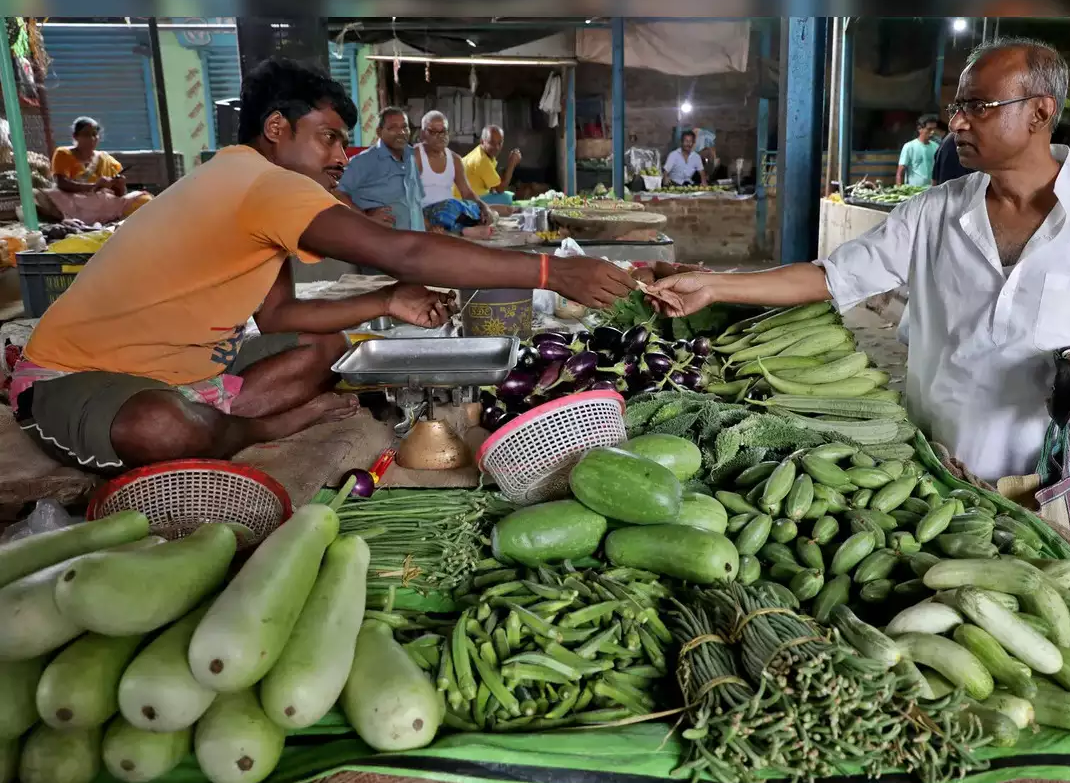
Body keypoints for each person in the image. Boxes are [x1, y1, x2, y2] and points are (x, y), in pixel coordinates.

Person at [11, 58, 635, 473]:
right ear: (276, 127)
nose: (343, 153)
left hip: (191, 376)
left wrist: (389, 301)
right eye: (329, 136)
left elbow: (278, 313)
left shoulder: (249, 184)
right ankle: (250, 430)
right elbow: (405, 250)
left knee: (326, 346)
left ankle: (219, 417)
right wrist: (552, 272)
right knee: (161, 429)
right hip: (79, 375)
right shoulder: (261, 182)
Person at [647, 38, 1070, 485]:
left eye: (979, 106)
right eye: (958, 107)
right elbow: (830, 278)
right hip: (939, 460)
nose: (957, 123)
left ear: (1040, 113)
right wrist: (714, 285)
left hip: (1061, 467)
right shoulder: (933, 212)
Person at [35, 117, 153, 224]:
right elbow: (62, 184)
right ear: (75, 136)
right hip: (74, 200)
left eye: (94, 135)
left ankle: (101, 218)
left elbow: (120, 194)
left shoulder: (107, 160)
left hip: (102, 202)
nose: (91, 139)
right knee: (39, 196)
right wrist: (94, 186)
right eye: (86, 135)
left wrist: (120, 185)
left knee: (144, 200)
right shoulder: (63, 153)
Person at [332, 106, 424, 232]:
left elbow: (415, 204)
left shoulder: (412, 157)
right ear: (379, 132)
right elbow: (336, 192)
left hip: (414, 241)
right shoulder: (364, 161)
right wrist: (365, 219)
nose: (401, 132)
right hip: (381, 243)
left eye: (404, 127)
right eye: (392, 128)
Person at [414, 111, 491, 235]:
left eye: (443, 131)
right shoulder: (416, 155)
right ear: (423, 134)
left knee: (480, 209)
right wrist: (427, 225)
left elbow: (466, 192)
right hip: (424, 213)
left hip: (451, 212)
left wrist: (484, 208)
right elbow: (409, 199)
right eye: (434, 132)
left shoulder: (455, 159)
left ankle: (463, 228)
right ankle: (465, 229)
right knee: (449, 208)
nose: (440, 136)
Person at [456, 124, 521, 205]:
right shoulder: (482, 160)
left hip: (466, 197)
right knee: (506, 198)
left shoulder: (482, 152)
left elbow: (495, 186)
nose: (496, 147)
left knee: (507, 194)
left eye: (499, 143)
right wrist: (512, 164)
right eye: (492, 143)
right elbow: (500, 189)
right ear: (482, 141)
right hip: (464, 201)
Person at [895, 113, 941, 187]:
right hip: (913, 191)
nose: (932, 132)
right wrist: (899, 190)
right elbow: (900, 173)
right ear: (920, 129)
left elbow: (938, 170)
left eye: (934, 129)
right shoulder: (909, 147)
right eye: (929, 129)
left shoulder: (936, 147)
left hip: (931, 190)